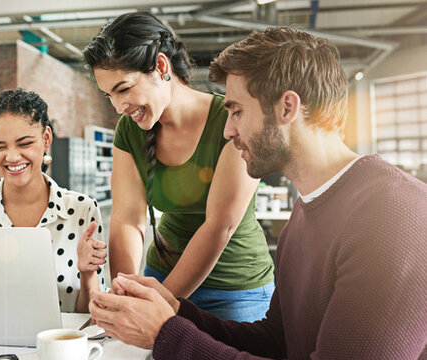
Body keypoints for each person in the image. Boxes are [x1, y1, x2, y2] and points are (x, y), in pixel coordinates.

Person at [89, 27, 427, 359]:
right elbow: (276, 341)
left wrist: (168, 334)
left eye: (236, 111)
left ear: (287, 108)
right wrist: (177, 311)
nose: (227, 129)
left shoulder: (396, 218)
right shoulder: (303, 216)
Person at [78, 11, 274, 321]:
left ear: (160, 66)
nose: (118, 107)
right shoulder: (130, 129)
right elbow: (128, 219)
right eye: (109, 95)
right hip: (160, 275)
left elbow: (218, 226)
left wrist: (157, 302)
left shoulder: (231, 119)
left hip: (235, 290)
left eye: (124, 88)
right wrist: (127, 290)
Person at [0, 88, 104, 313]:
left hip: (59, 346)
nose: (11, 157)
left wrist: (88, 274)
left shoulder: (81, 211)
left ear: (46, 138)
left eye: (24, 144)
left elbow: (92, 319)